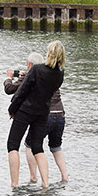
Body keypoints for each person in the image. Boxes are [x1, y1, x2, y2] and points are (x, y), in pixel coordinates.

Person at [7, 41, 66, 188]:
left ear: (49, 53)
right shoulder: (60, 73)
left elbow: (22, 91)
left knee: (13, 145)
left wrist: (12, 109)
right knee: (38, 148)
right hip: (43, 113)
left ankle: (14, 184)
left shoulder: (37, 69)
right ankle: (45, 183)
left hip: (25, 111)